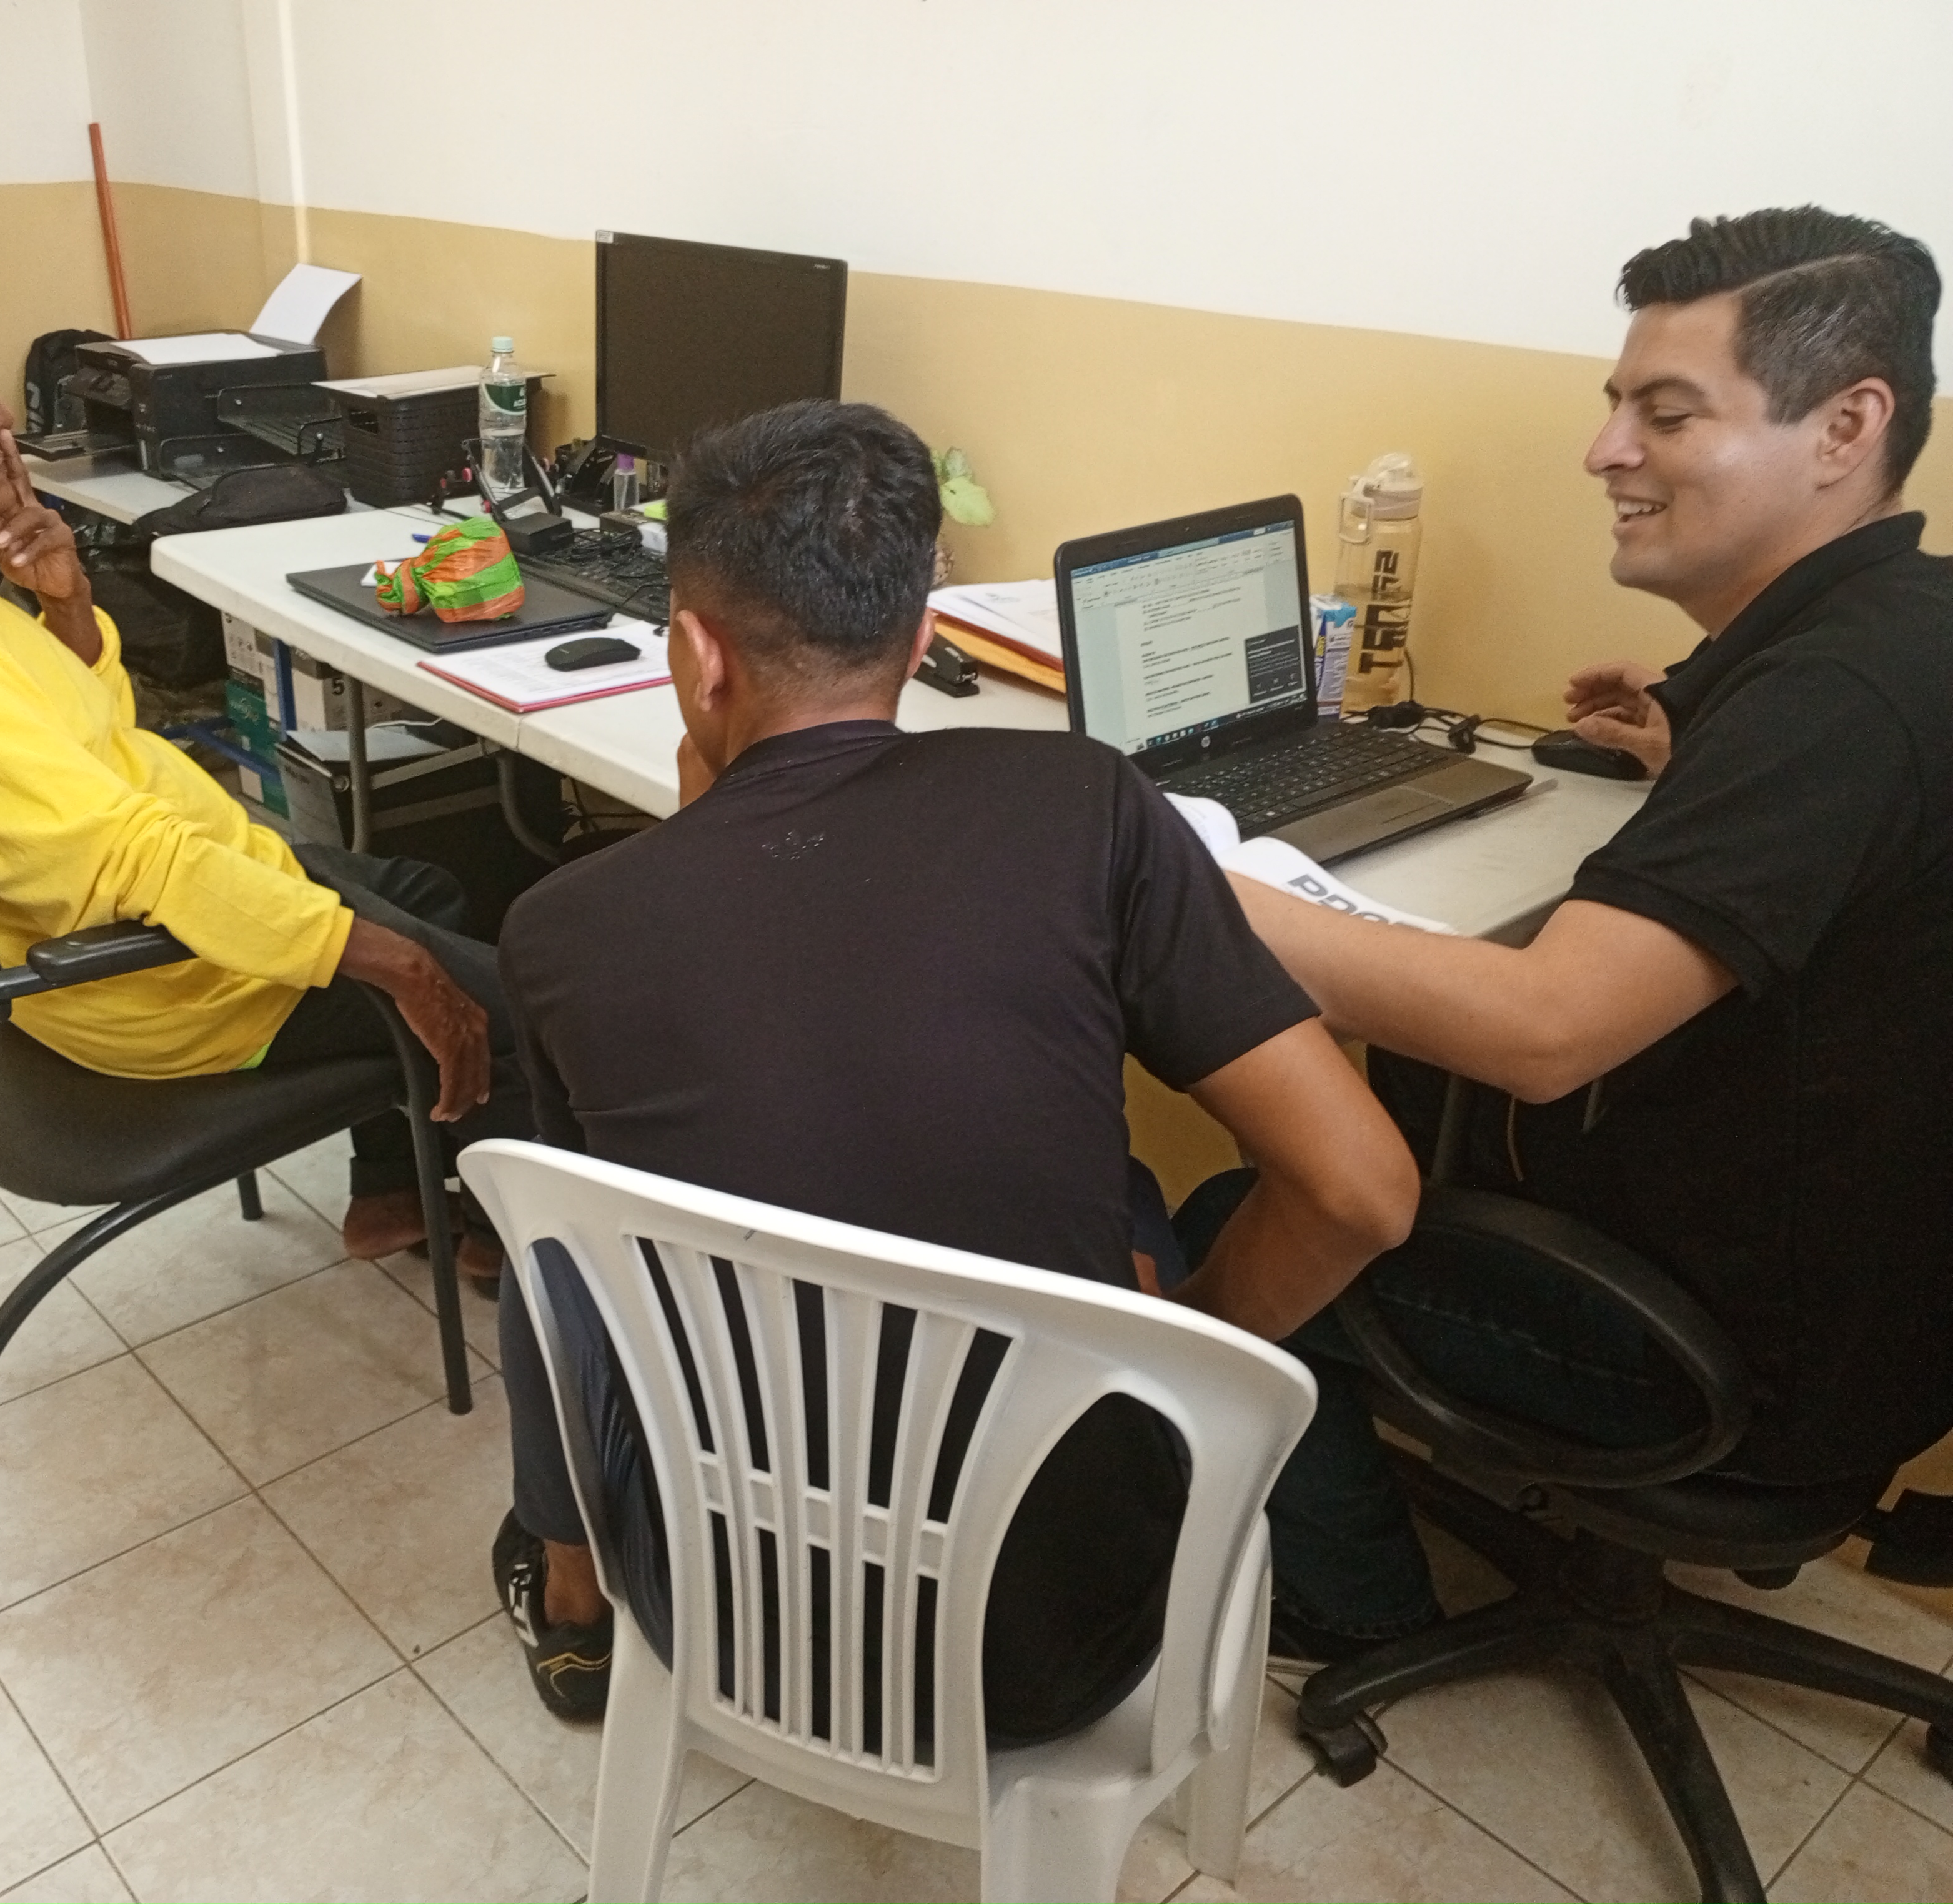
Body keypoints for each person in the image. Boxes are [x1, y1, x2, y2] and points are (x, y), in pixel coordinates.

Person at [484, 399, 1419, 1727]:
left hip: (723, 1614)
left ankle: (575, 1603)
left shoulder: (560, 927)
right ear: (921, 637)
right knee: (1115, 1196)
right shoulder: (1086, 805)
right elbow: (1363, 1191)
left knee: (556, 1244)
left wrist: (707, 829)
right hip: (1062, 1641)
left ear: (696, 652)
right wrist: (1172, 1357)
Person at [1222, 206, 1953, 1659]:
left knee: (1252, 1220)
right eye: (1616, 405)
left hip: (1733, 1365)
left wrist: (1169, 879)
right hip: (1874, 1307)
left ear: (1844, 427)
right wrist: (1698, 742)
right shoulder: (1897, 628)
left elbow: (1545, 1035)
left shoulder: (1830, 707)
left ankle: (1357, 1604)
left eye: (1665, 414)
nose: (1604, 451)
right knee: (1392, 1084)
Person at [0, 278, 527, 1261]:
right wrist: (407, 970)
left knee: (425, 884)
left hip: (137, 926)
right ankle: (520, 1255)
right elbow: (145, 866)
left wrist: (64, 604)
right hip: (174, 983)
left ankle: (392, 1194)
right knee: (537, 1013)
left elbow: (79, 735)